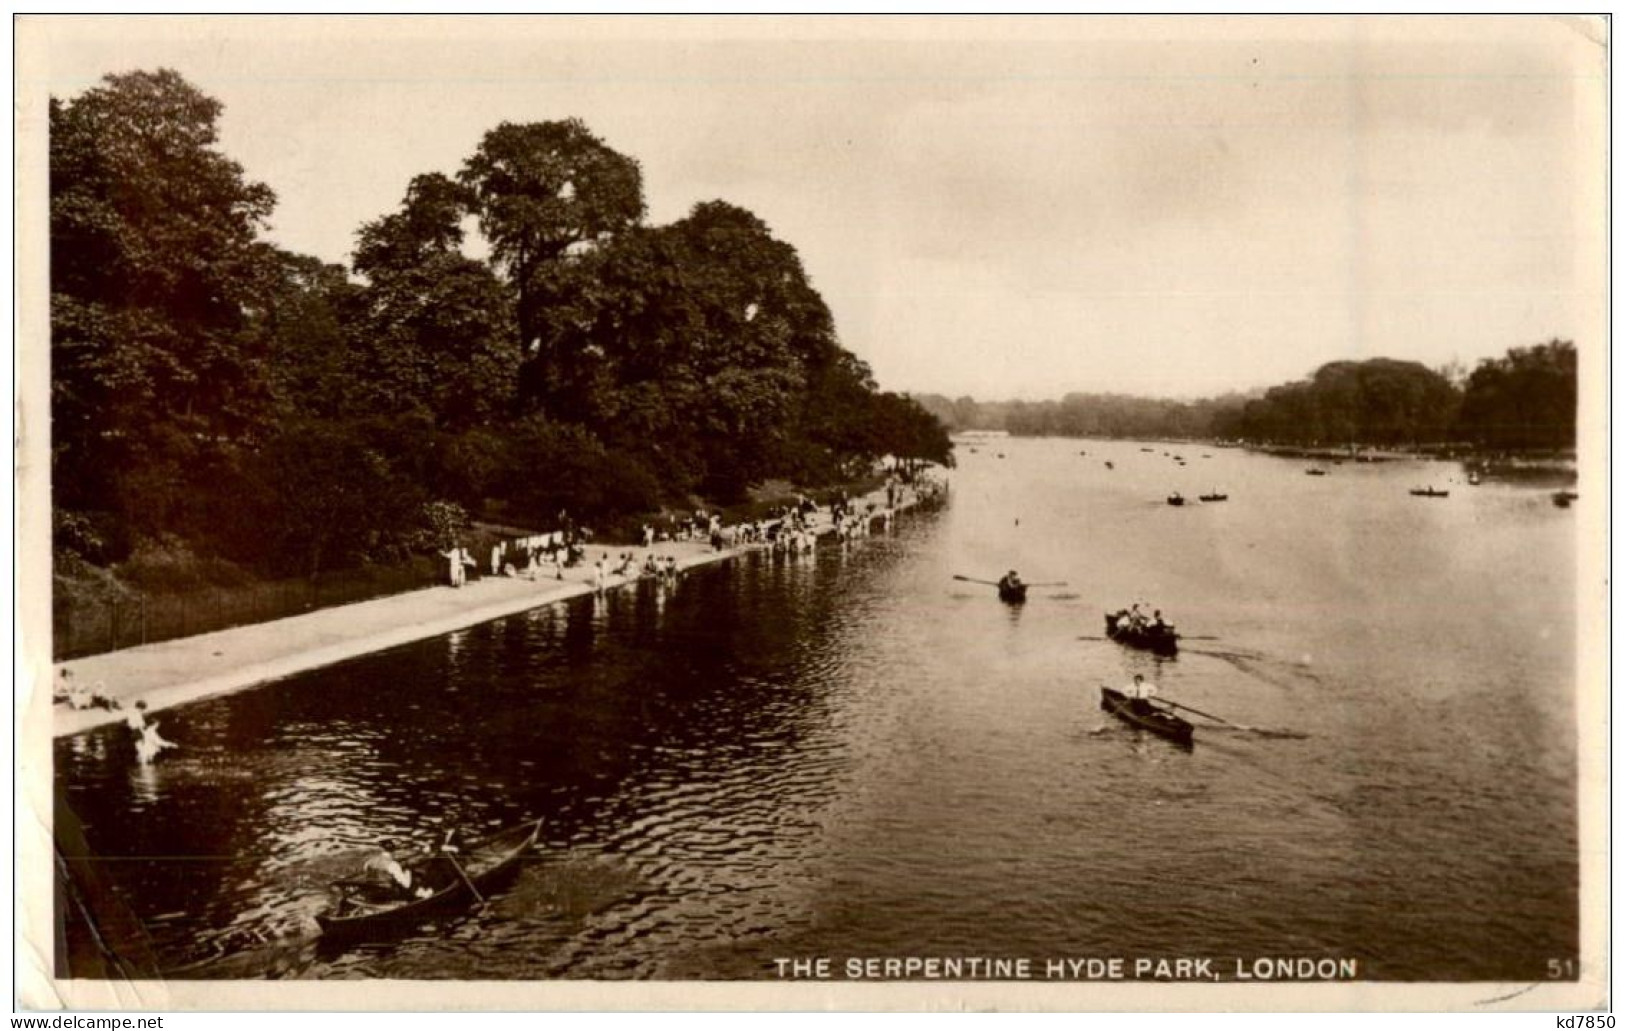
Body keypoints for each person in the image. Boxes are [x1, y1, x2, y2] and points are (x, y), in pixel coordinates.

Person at [363, 841, 433, 900]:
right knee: (412, 877)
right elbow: (407, 885)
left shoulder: (369, 862)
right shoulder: (393, 864)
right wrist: (408, 871)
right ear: (394, 851)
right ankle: (424, 894)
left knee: (398, 876)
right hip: (386, 895)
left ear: (382, 850)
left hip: (370, 893)